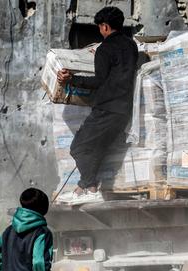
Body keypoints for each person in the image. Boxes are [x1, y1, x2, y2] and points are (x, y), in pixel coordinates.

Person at [56, 6, 139, 205]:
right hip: (124, 110)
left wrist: (71, 79)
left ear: (104, 27)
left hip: (107, 108)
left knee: (78, 147)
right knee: (97, 149)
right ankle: (86, 188)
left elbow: (98, 82)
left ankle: (89, 187)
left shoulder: (105, 49)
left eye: (100, 27)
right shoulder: (131, 46)